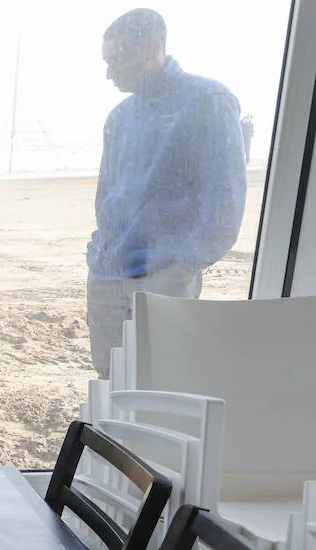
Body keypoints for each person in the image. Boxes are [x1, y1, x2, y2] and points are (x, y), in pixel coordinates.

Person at [87, 7, 246, 377]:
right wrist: (100, 249)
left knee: (161, 383)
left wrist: (186, 265)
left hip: (166, 275)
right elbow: (106, 195)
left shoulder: (208, 100)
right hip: (107, 272)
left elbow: (225, 199)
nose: (111, 72)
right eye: (107, 61)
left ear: (155, 47)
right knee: (108, 383)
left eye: (120, 58)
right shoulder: (119, 117)